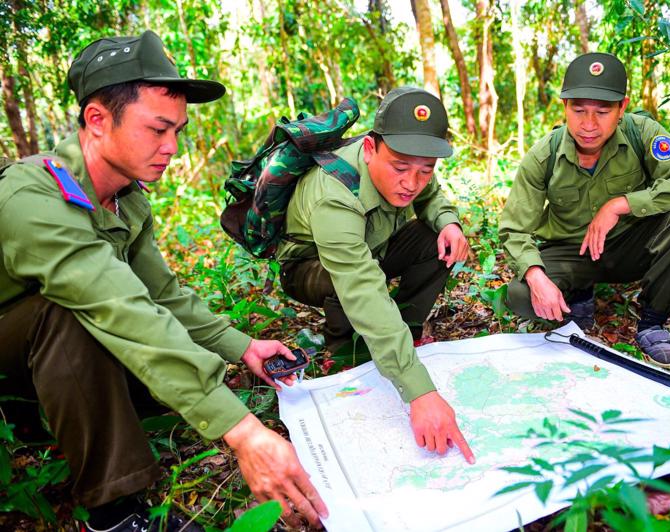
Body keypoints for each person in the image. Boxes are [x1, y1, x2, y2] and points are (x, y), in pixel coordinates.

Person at [0, 31, 327, 531]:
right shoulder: (32, 196)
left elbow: (161, 294)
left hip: (50, 358)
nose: (171, 147)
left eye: (178, 130)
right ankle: (113, 515)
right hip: (15, 353)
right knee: (66, 311)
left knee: (159, 378)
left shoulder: (126, 199)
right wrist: (242, 432)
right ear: (97, 120)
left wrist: (242, 347)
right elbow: (118, 305)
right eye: (157, 129)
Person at [276, 87, 475, 464]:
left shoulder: (412, 165)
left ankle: (407, 330)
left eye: (425, 169)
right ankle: (343, 354)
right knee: (353, 286)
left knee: (435, 238)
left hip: (373, 250)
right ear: (370, 149)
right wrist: (419, 392)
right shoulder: (335, 194)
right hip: (310, 266)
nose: (411, 183)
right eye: (400, 168)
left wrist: (449, 223)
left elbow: (431, 196)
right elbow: (362, 285)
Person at [499, 52, 670, 368]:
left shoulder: (643, 133)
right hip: (574, 253)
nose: (589, 124)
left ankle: (653, 323)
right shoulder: (544, 155)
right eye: (579, 110)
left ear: (621, 108)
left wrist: (622, 204)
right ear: (565, 107)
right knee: (520, 293)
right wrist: (534, 273)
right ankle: (579, 295)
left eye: (602, 111)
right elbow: (514, 228)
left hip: (633, 246)